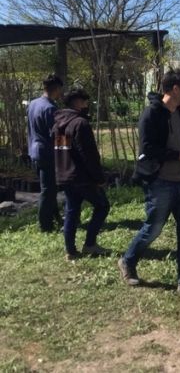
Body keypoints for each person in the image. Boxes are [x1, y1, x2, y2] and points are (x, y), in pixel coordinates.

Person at [118, 68, 180, 294]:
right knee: (154, 228)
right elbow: (148, 150)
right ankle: (128, 261)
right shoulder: (151, 114)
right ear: (175, 88)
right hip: (159, 182)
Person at [53, 89, 110, 260]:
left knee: (72, 210)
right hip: (82, 177)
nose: (87, 106)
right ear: (77, 102)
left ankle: (70, 251)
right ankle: (90, 244)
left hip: (65, 175)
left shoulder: (58, 125)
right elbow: (88, 154)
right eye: (85, 102)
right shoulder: (80, 124)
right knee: (102, 206)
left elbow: (62, 151)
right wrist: (99, 178)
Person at [27, 74, 64, 232]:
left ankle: (55, 218)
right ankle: (45, 225)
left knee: (50, 188)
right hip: (46, 152)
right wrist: (65, 153)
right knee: (48, 190)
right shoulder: (51, 108)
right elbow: (57, 134)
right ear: (56, 89)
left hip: (34, 150)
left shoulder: (33, 103)